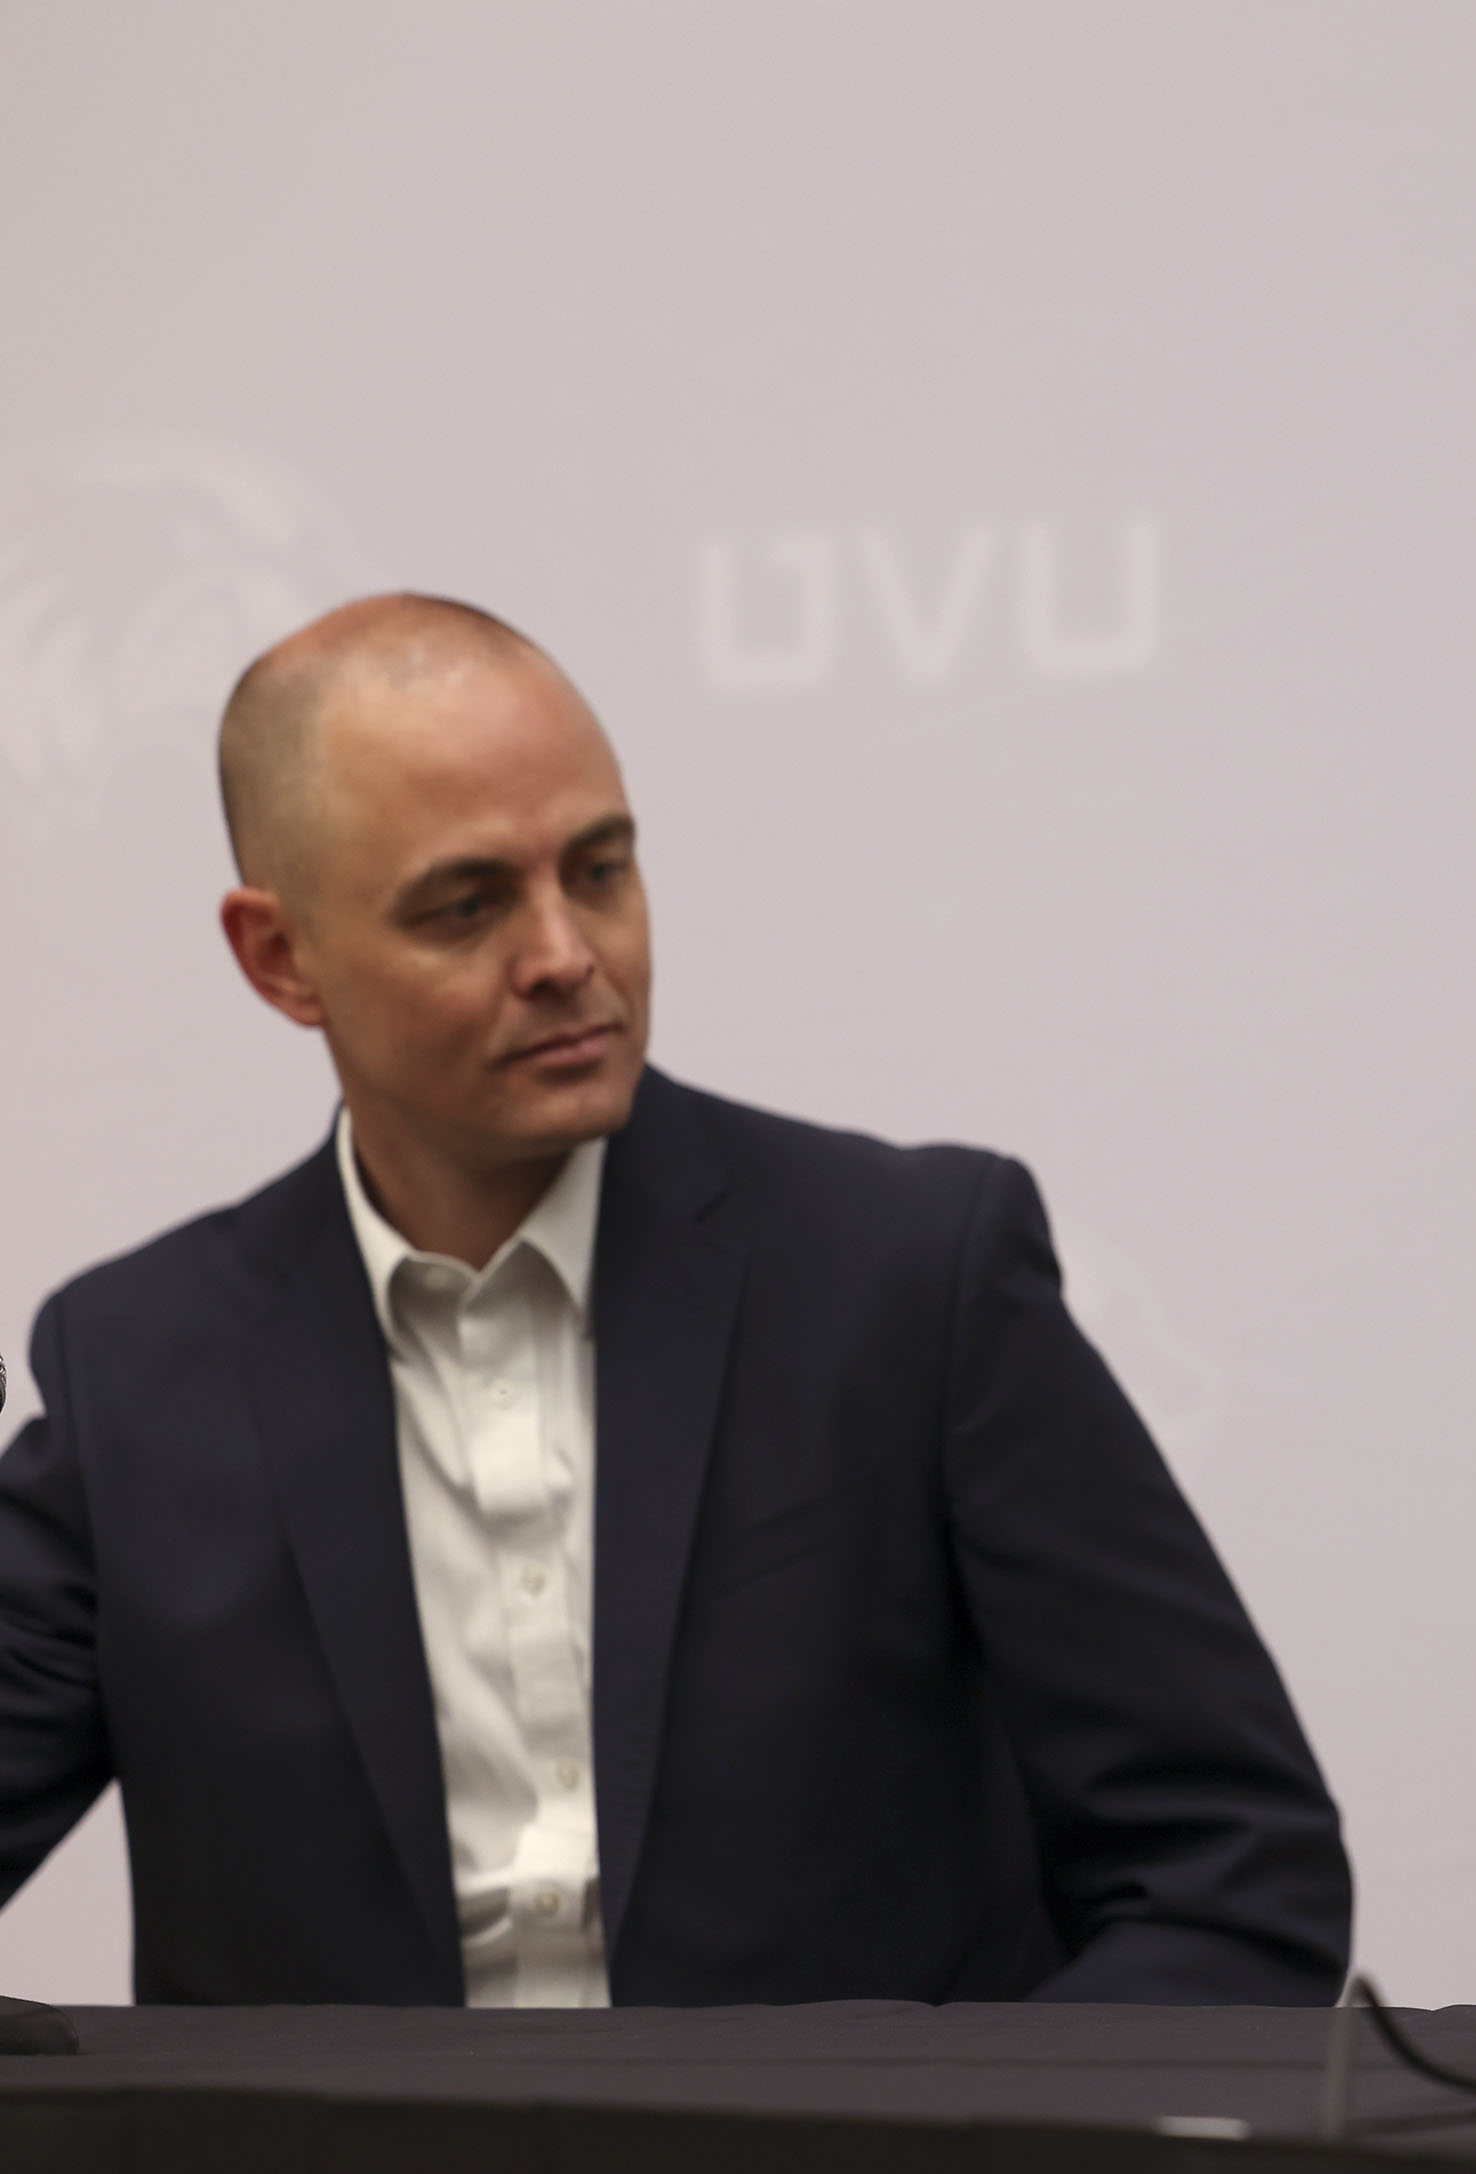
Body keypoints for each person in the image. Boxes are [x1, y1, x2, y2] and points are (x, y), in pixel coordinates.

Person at [0, 595, 1350, 2007]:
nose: (567, 953)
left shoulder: (910, 1277)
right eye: (469, 905)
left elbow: (1235, 1873)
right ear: (281, 958)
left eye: (600, 869)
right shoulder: (133, 1372)